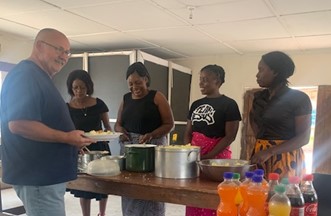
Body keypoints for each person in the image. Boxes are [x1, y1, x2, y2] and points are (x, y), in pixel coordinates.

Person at [0, 28, 93, 216]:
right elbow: (20, 124)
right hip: (38, 178)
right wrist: (67, 137)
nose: (64, 56)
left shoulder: (39, 76)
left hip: (43, 177)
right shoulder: (26, 75)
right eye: (59, 49)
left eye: (67, 52)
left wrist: (71, 142)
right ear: (39, 46)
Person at [114, 61, 174, 216]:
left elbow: (169, 124)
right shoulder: (125, 99)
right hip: (130, 150)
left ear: (146, 79)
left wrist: (151, 135)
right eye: (131, 83)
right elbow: (118, 125)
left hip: (152, 147)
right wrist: (122, 132)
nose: (135, 87)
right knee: (130, 188)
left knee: (151, 189)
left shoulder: (157, 97)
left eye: (138, 82)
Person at [184, 64, 242, 216]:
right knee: (194, 193)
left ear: (217, 81)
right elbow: (188, 132)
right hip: (195, 155)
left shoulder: (229, 105)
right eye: (200, 79)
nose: (201, 83)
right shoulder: (196, 104)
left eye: (206, 79)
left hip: (218, 158)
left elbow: (230, 136)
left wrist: (208, 157)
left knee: (216, 195)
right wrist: (188, 151)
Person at [249, 51, 312, 179]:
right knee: (256, 194)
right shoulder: (259, 97)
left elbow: (304, 137)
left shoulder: (299, 98)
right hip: (260, 155)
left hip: (285, 157)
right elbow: (254, 121)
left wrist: (271, 150)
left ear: (275, 72)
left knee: (281, 196)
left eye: (261, 70)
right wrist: (263, 144)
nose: (257, 75)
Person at [66, 69, 111, 216]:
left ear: (88, 87)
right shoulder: (68, 107)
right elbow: (68, 130)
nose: (79, 91)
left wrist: (107, 137)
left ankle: (102, 213)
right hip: (80, 149)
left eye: (83, 87)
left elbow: (108, 128)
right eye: (75, 88)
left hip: (99, 147)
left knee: (102, 185)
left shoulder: (99, 104)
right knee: (84, 187)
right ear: (71, 88)